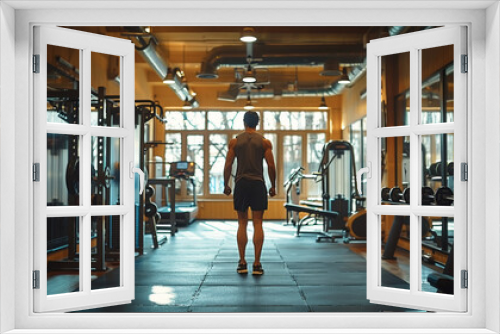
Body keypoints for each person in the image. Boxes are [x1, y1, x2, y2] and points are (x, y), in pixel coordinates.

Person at [223, 111, 276, 275]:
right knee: (258, 223)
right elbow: (271, 166)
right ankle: (257, 264)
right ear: (257, 123)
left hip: (241, 183)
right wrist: (273, 186)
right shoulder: (265, 142)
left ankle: (242, 262)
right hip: (258, 184)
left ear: (244, 122)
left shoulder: (235, 141)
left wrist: (226, 184)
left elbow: (228, 164)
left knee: (242, 223)